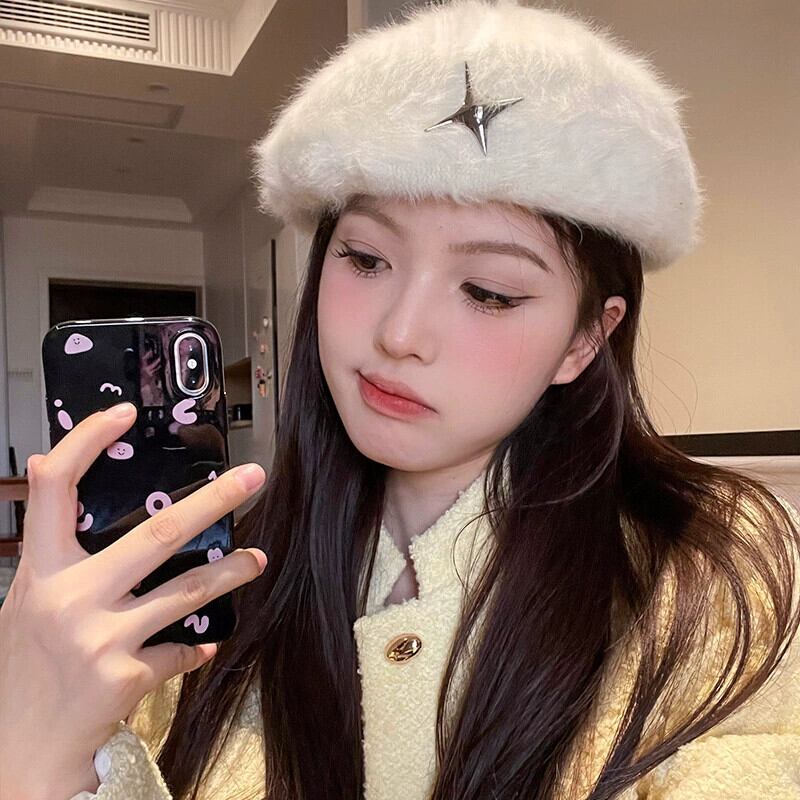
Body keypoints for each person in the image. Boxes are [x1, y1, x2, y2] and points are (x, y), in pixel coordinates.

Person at [1, 1, 799, 798]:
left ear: (585, 339)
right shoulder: (222, 580)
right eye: (365, 258)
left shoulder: (717, 582)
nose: (400, 334)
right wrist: (34, 748)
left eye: (488, 292)